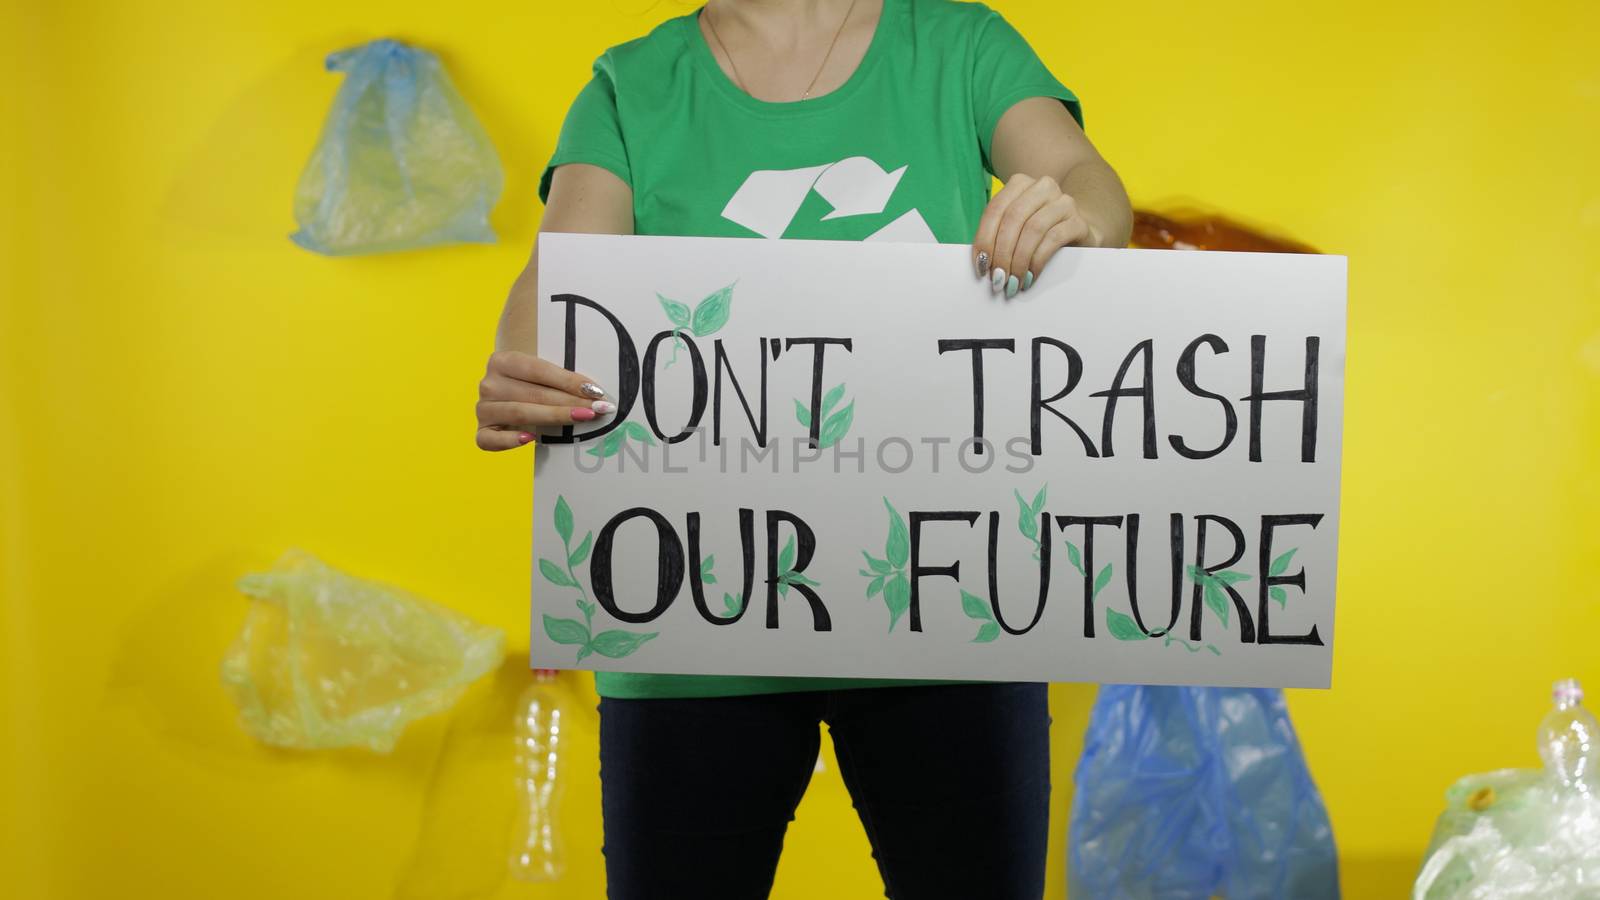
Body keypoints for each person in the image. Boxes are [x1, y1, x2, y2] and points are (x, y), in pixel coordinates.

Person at [476, 1, 1131, 896]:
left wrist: (1072, 221)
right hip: (694, 619)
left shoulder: (959, 44)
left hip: (943, 604)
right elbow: (559, 280)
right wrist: (525, 368)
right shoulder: (631, 83)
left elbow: (1085, 181)